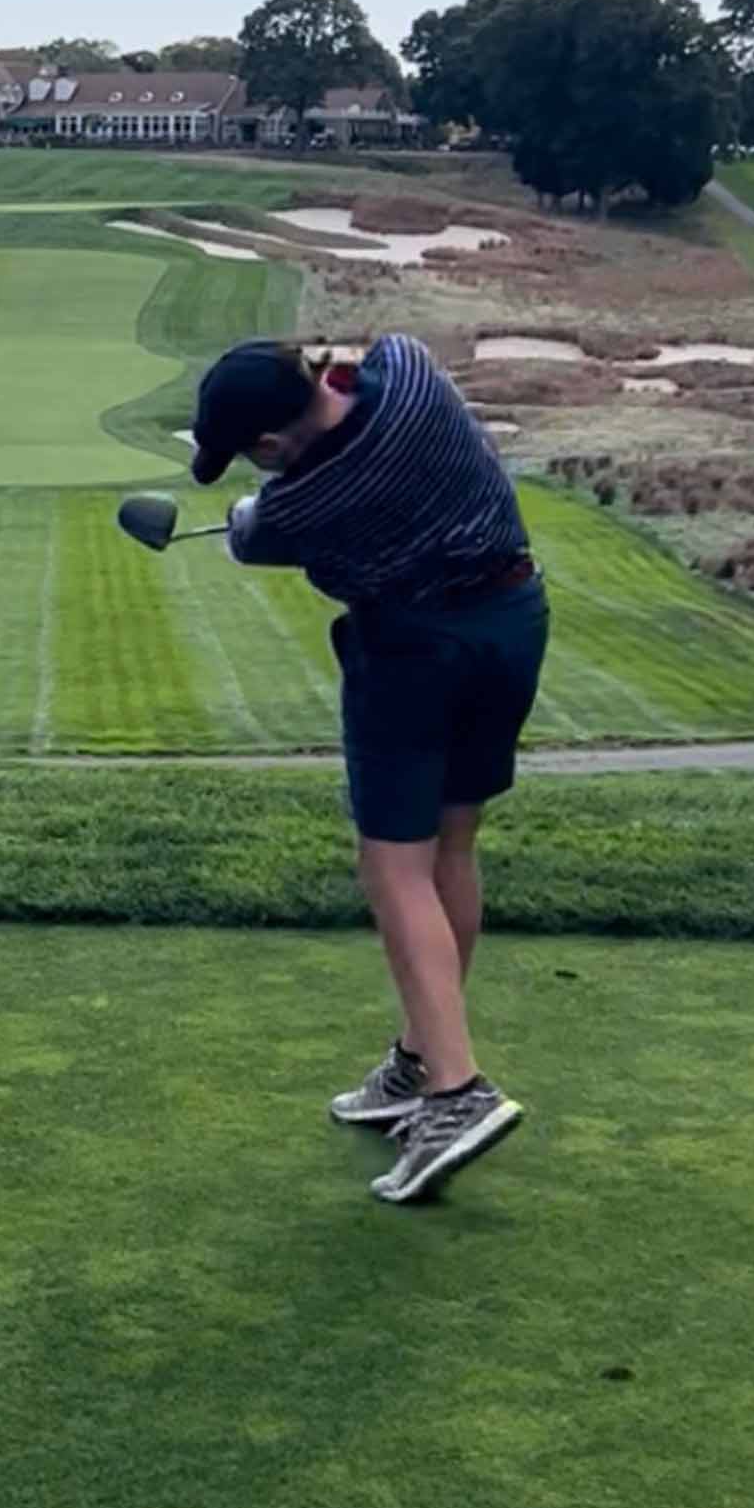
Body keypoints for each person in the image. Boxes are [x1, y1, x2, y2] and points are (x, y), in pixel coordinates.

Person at [190, 335, 549, 1206]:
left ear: (271, 449)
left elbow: (251, 533)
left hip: (416, 654)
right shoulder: (414, 367)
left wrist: (250, 507)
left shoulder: (301, 504)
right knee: (453, 848)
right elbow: (356, 358)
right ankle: (421, 1064)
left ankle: (456, 1092)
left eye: (250, 453)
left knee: (393, 864)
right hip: (515, 618)